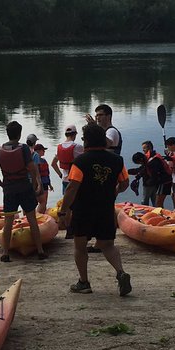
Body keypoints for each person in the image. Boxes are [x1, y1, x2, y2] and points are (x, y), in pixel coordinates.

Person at [57, 123, 132, 296]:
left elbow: (72, 188)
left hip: (83, 210)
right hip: (105, 209)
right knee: (108, 245)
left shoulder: (80, 162)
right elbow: (125, 183)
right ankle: (120, 272)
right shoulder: (117, 160)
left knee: (80, 246)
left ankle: (84, 283)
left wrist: (63, 211)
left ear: (87, 141)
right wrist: (114, 191)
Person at [0, 120, 46, 263]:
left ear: (7, 133)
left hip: (9, 189)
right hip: (24, 187)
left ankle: (5, 253)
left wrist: (2, 184)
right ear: (19, 134)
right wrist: (33, 185)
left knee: (8, 221)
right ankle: (40, 251)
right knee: (32, 219)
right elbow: (32, 169)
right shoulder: (24, 149)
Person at [140, 140, 170, 207]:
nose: (143, 150)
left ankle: (150, 214)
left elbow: (151, 172)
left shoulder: (152, 160)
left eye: (144, 148)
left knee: (146, 201)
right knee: (155, 200)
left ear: (149, 148)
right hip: (155, 183)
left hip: (150, 183)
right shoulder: (155, 157)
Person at [33, 143, 53, 213]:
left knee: (43, 202)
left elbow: (47, 174)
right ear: (38, 151)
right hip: (40, 184)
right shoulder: (35, 162)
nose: (44, 151)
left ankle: (40, 216)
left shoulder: (44, 161)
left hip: (45, 183)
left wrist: (50, 184)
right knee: (43, 202)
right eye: (43, 150)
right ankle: (39, 216)